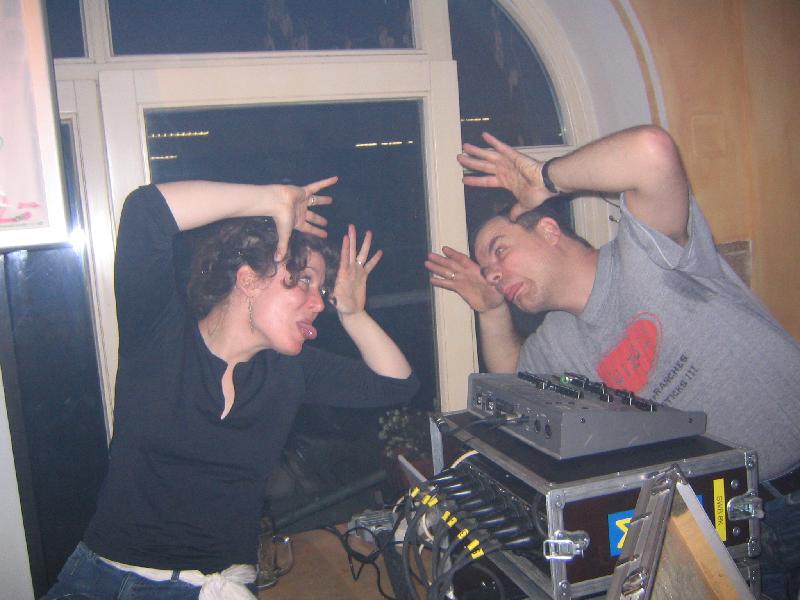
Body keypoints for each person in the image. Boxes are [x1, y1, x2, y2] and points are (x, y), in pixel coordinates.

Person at [425, 125, 800, 599]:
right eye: (488, 272)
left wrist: (545, 177)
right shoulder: (556, 344)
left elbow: (651, 152)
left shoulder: (644, 253)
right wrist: (492, 310)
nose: (494, 274)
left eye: (499, 252)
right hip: (725, 536)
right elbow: (513, 408)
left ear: (548, 229)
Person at [43, 177, 418, 599]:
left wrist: (352, 314)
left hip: (216, 588)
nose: (318, 302)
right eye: (304, 280)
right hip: (105, 581)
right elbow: (146, 212)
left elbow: (396, 385)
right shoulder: (160, 337)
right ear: (249, 279)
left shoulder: (288, 372)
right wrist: (270, 199)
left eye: (323, 290)